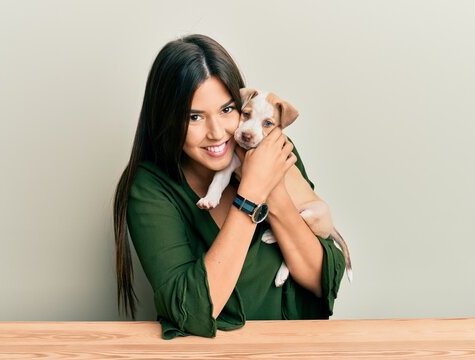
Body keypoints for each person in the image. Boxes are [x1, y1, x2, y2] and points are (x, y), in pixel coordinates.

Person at [113, 34, 345, 339]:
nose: (217, 132)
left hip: (299, 346)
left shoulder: (273, 149)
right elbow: (193, 310)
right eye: (194, 117)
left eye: (227, 110)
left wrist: (272, 189)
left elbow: (323, 280)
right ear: (166, 120)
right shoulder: (151, 188)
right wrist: (250, 195)